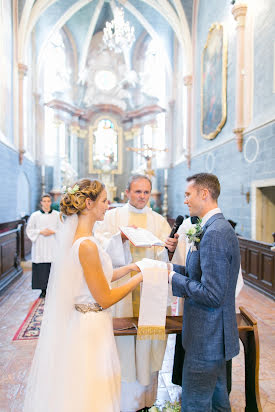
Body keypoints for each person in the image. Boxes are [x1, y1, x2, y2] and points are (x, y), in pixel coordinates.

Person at [23, 179, 143, 412]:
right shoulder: (87, 245)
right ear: (88, 203)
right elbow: (104, 297)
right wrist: (141, 278)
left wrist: (132, 268)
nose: (108, 206)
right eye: (104, 201)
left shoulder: (83, 239)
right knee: (92, 393)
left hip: (89, 321)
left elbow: (100, 276)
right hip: (90, 327)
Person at [94, 174, 175, 412]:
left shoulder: (159, 221)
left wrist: (167, 249)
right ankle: (120, 400)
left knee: (147, 345)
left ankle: (145, 401)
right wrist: (119, 238)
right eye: (137, 191)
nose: (142, 196)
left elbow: (165, 254)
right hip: (122, 290)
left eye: (146, 192)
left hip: (151, 291)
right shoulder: (112, 217)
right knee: (124, 347)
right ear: (127, 192)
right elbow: (98, 247)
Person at [168, 173, 240, 411]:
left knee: (195, 404)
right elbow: (198, 274)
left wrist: (173, 279)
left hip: (207, 337)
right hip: (211, 334)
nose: (185, 200)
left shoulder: (216, 233)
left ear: (204, 194)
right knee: (218, 402)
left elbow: (213, 294)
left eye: (189, 194)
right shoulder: (210, 227)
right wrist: (170, 269)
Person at [26, 194, 60, 298]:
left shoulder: (57, 215)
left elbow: (62, 229)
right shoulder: (35, 216)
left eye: (48, 201)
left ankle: (53, 290)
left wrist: (53, 231)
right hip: (40, 245)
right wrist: (40, 231)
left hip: (53, 244)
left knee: (52, 268)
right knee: (41, 269)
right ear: (41, 203)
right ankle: (43, 290)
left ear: (51, 202)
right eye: (44, 201)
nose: (46, 203)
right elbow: (29, 230)